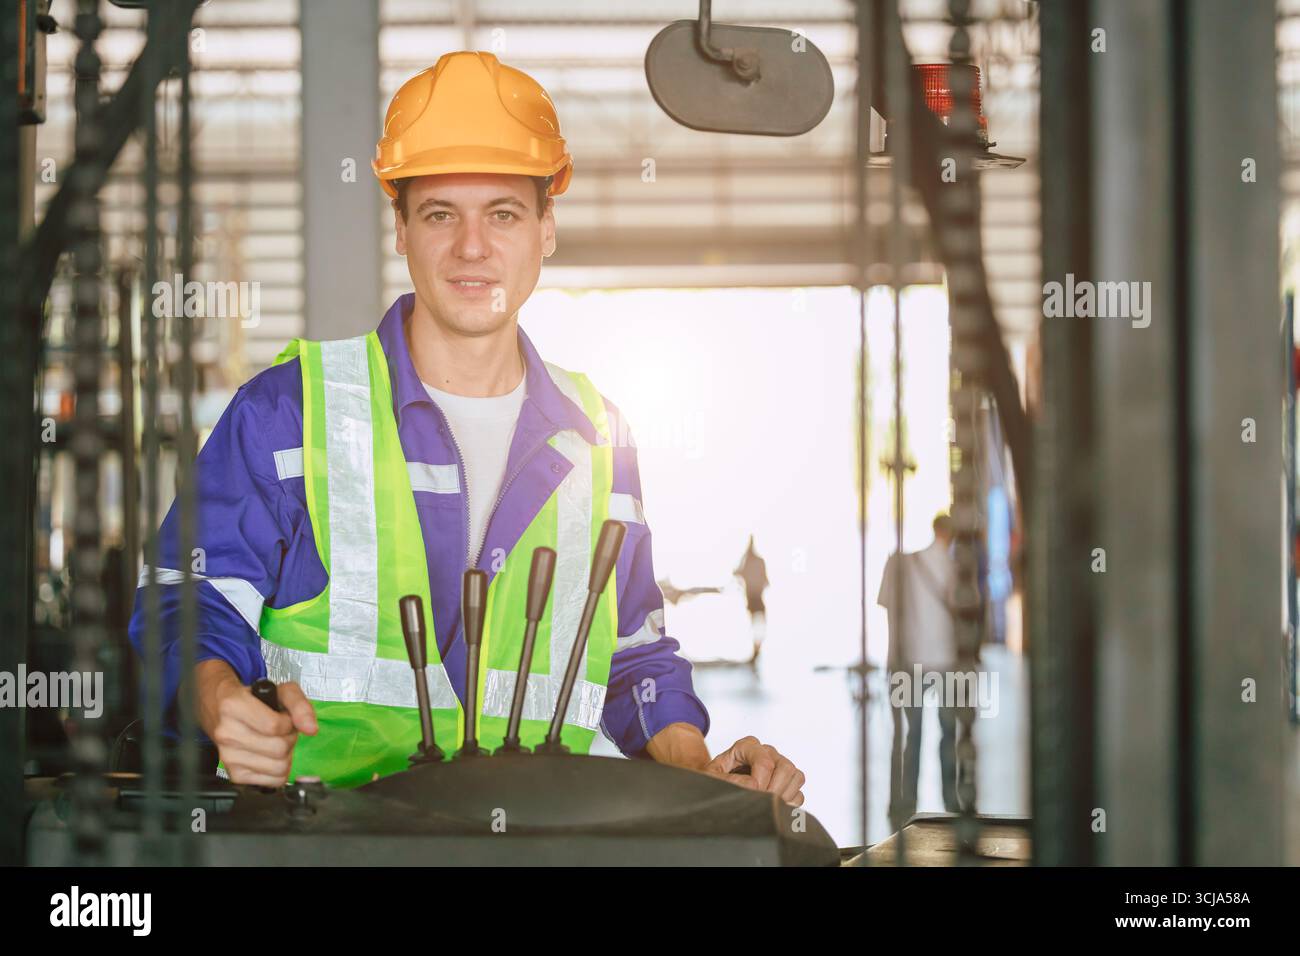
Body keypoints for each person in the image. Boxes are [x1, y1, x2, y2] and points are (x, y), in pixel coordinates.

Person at [128, 51, 805, 806]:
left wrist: (700, 768)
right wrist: (219, 697)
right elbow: (186, 604)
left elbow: (631, 656)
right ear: (402, 229)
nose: (472, 248)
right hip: (327, 847)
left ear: (547, 229)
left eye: (504, 214)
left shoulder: (599, 436)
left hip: (541, 853)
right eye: (441, 213)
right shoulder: (289, 413)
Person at [877, 513, 960, 829]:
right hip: (947, 664)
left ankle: (902, 803)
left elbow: (888, 611)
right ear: (950, 535)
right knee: (948, 735)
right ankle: (952, 801)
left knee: (908, 735)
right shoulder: (954, 568)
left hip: (907, 663)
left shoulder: (903, 565)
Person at [734, 535, 770, 664]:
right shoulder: (757, 561)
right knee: (760, 625)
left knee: (756, 625)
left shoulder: (747, 561)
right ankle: (755, 651)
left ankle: (755, 651)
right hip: (756, 599)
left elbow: (736, 573)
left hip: (751, 599)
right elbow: (766, 581)